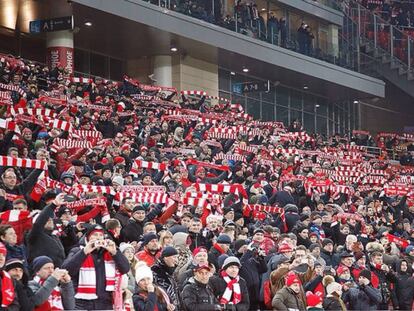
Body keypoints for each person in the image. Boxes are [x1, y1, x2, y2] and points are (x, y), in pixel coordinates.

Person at [61, 224, 130, 310]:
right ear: (88, 237)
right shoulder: (77, 250)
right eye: (95, 235)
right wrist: (84, 252)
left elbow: (125, 269)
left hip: (105, 303)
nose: (98, 237)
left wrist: (115, 253)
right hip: (82, 303)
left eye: (101, 235)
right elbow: (67, 270)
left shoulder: (110, 252)